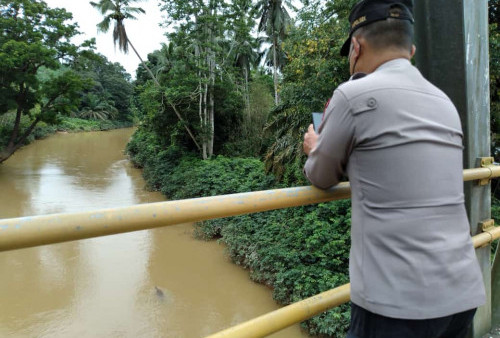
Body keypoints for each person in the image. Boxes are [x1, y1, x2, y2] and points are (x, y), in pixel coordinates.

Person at [302, 0, 486, 337]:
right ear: (411, 50)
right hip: (462, 295)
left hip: (396, 306)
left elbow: (321, 176)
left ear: (356, 47)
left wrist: (315, 149)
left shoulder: (352, 96)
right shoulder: (445, 103)